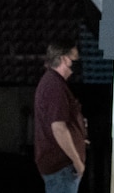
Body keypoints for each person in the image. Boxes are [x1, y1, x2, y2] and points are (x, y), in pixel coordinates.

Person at [33, 39, 89, 193]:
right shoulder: (54, 87)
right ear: (65, 59)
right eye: (75, 57)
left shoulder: (53, 83)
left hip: (60, 165)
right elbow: (59, 128)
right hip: (62, 166)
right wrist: (77, 161)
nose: (78, 61)